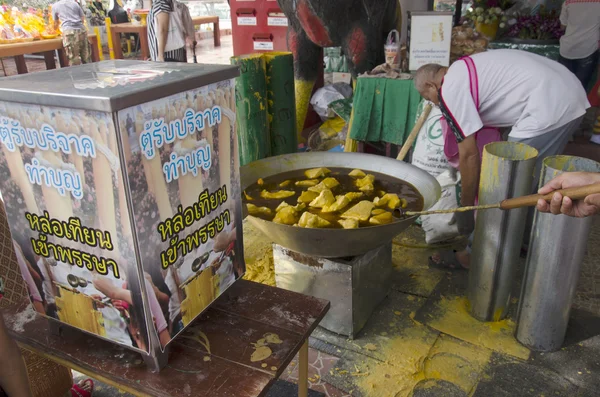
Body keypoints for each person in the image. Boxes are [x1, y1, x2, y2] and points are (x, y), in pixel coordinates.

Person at [415, 49, 589, 269]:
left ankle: (474, 255)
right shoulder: (463, 70)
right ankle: (521, 243)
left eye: (426, 98)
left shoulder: (449, 88)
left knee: (507, 186)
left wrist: (466, 208)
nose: (433, 104)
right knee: (531, 185)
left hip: (549, 107)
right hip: (567, 94)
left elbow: (468, 155)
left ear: (431, 86)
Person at [558, 0, 600, 91]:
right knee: (581, 88)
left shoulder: (567, 2)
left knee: (565, 86)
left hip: (567, 48)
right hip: (588, 49)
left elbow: (563, 26)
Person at [52, 0, 91, 66]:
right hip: (82, 30)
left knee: (73, 58)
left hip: (69, 32)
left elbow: (55, 23)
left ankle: (76, 75)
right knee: (86, 56)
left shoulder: (55, 6)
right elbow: (82, 18)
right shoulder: (75, 3)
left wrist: (54, 29)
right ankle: (91, 73)